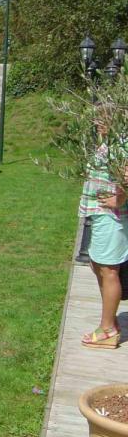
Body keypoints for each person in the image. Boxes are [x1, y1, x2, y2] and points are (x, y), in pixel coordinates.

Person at [79, 114, 128, 349]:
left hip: (112, 217)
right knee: (97, 264)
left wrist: (120, 198)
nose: (98, 120)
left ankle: (108, 328)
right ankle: (109, 322)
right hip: (100, 214)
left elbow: (126, 174)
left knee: (109, 269)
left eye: (104, 116)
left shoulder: (122, 143)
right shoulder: (110, 142)